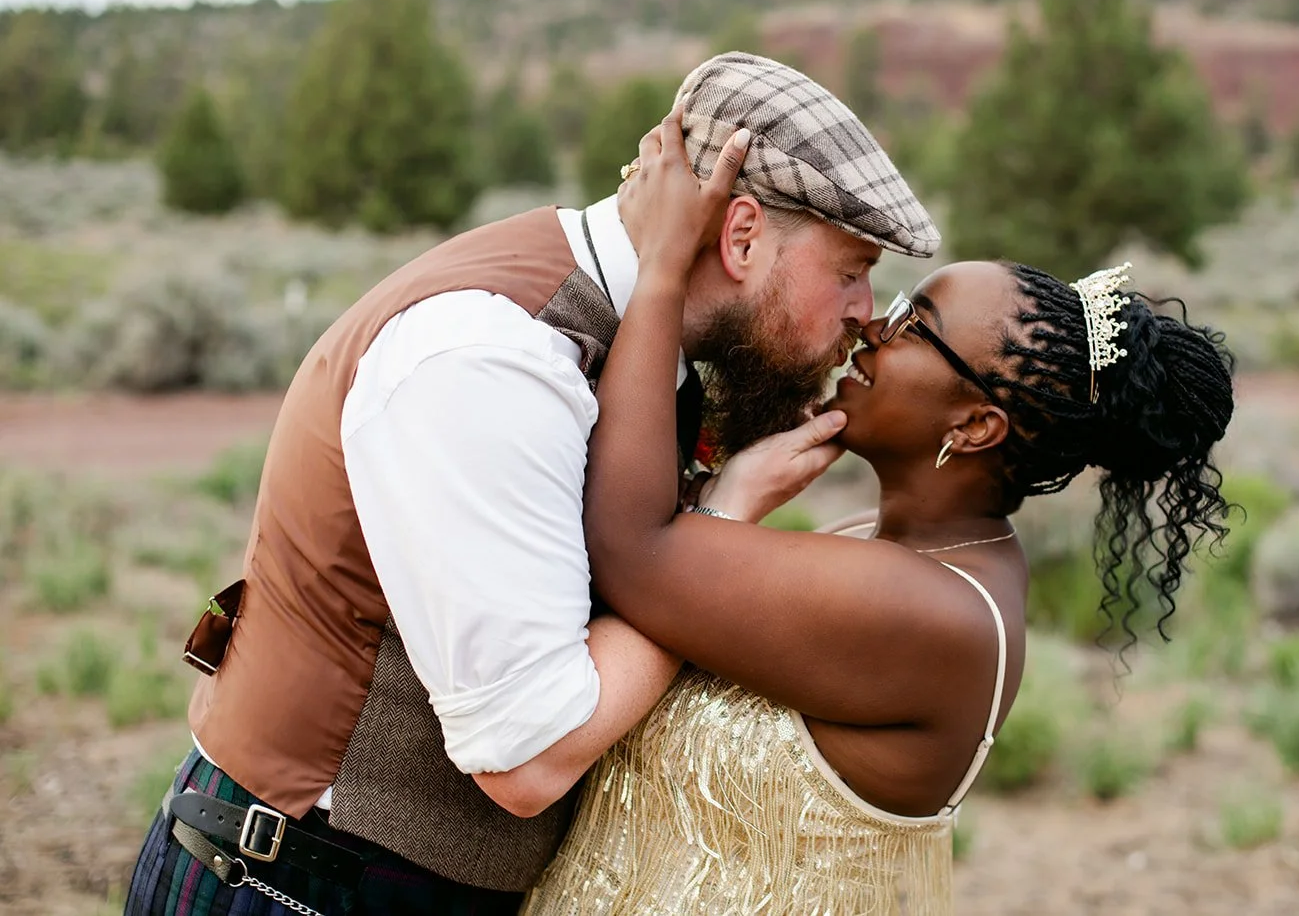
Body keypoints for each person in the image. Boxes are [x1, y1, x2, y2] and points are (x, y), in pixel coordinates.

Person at [121, 53, 940, 915]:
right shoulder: (493, 359)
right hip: (298, 887)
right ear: (740, 235)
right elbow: (527, 755)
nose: (866, 310)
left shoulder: (632, 347)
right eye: (851, 268)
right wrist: (720, 521)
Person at [522, 116, 1238, 913]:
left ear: (973, 426)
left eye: (914, 326)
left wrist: (662, 264)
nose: (871, 327)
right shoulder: (881, 547)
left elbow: (632, 550)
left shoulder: (939, 613)